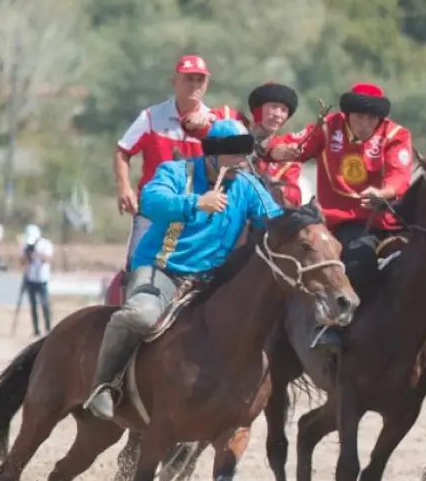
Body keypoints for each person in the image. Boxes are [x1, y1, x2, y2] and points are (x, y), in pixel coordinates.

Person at [83, 119, 283, 420]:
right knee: (142, 314)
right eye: (235, 154)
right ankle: (104, 385)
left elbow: (275, 220)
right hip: (161, 270)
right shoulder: (176, 172)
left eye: (246, 154)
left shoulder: (248, 185)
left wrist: (300, 225)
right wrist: (196, 202)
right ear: (213, 154)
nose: (243, 161)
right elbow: (151, 201)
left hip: (211, 281)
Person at [267, 82, 414, 351]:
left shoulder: (396, 134)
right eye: (359, 117)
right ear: (348, 115)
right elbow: (294, 146)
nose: (365, 123)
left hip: (390, 219)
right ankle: (335, 326)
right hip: (345, 221)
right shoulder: (328, 127)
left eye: (371, 118)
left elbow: (400, 175)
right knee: (357, 259)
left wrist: (384, 192)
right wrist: (275, 151)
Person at [114, 55, 246, 270]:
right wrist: (123, 187)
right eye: (188, 79)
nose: (194, 85)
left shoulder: (218, 123)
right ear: (174, 81)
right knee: (137, 267)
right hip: (156, 209)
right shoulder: (151, 117)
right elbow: (123, 151)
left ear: (207, 85)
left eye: (199, 80)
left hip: (201, 209)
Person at [246, 82, 302, 206]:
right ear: (258, 109)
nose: (278, 114)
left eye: (283, 110)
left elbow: (295, 198)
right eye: (273, 106)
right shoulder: (236, 130)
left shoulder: (288, 154)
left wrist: (281, 190)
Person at [19, 224, 53, 337]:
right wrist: (27, 255)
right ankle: (36, 330)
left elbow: (48, 259)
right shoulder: (25, 246)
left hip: (42, 279)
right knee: (33, 305)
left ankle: (48, 328)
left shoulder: (45, 244)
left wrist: (36, 254)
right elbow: (22, 262)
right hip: (30, 279)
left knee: (45, 304)